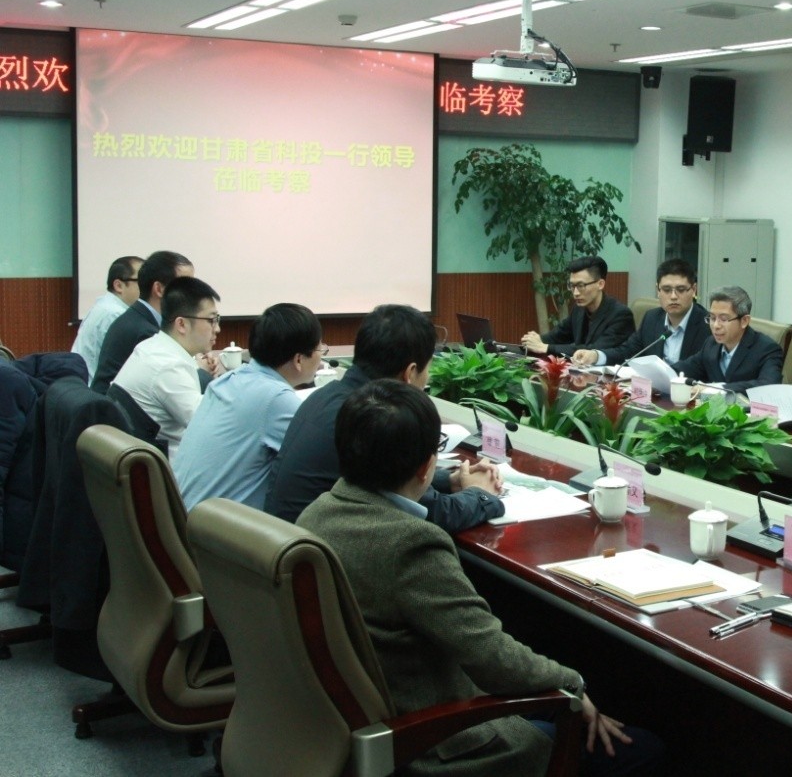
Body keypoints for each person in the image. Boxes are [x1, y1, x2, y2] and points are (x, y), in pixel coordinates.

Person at [297, 379, 662, 775]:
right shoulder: (410, 543)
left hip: (347, 725)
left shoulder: (315, 514)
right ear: (426, 467)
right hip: (427, 741)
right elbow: (493, 660)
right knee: (644, 750)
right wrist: (573, 685)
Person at [267, 304, 504, 529]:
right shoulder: (378, 418)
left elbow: (384, 482)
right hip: (326, 550)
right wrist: (481, 494)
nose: (428, 379)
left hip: (293, 542)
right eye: (428, 369)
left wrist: (448, 480)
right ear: (410, 372)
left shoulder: (327, 396)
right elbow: (433, 513)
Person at [175, 303, 325, 512]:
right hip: (216, 528)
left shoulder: (229, 379)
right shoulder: (275, 399)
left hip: (184, 514)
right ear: (299, 359)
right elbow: (322, 459)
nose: (321, 357)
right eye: (320, 349)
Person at [112, 276, 221, 456]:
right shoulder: (168, 367)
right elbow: (212, 425)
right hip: (173, 466)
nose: (217, 329)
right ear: (181, 324)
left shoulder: (152, 347)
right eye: (211, 320)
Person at [92, 250, 221, 392]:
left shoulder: (138, 316)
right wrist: (199, 368)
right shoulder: (145, 332)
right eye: (184, 286)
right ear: (159, 289)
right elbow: (176, 380)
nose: (194, 293)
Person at [571, 258, 709, 368]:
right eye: (666, 290)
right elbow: (627, 351)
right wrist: (596, 356)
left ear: (693, 290)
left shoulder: (708, 325)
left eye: (681, 289)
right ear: (658, 290)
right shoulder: (652, 319)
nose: (673, 296)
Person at [673, 286, 784, 392]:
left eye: (723, 319)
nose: (716, 325)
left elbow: (768, 386)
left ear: (744, 321)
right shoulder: (711, 344)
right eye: (712, 318)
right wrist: (664, 372)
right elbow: (686, 368)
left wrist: (717, 389)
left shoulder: (767, 349)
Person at [522, 256, 635, 358]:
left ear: (600, 284)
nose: (575, 293)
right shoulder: (579, 309)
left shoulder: (621, 315)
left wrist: (546, 347)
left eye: (581, 285)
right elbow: (558, 335)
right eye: (572, 286)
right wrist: (536, 340)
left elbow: (592, 351)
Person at [71, 255, 143, 379]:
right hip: (95, 387)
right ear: (119, 286)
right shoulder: (115, 314)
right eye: (141, 281)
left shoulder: (105, 305)